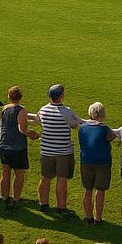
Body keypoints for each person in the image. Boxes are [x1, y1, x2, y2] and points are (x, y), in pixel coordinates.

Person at [37, 83, 82, 215]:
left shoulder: (43, 109)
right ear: (61, 96)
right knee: (61, 179)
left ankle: (43, 204)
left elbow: (38, 120)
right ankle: (61, 208)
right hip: (63, 152)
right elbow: (74, 124)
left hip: (46, 151)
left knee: (45, 178)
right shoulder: (66, 111)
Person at [78, 102, 116, 225]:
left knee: (87, 189)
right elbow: (112, 137)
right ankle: (98, 218)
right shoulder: (104, 129)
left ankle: (88, 216)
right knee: (100, 190)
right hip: (102, 162)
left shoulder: (83, 128)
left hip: (86, 161)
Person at [0, 86, 37, 208]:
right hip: (17, 147)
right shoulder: (22, 110)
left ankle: (4, 196)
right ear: (20, 97)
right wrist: (31, 134)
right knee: (19, 173)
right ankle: (16, 198)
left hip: (4, 144)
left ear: (9, 97)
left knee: (5, 172)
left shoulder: (4, 109)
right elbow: (22, 128)